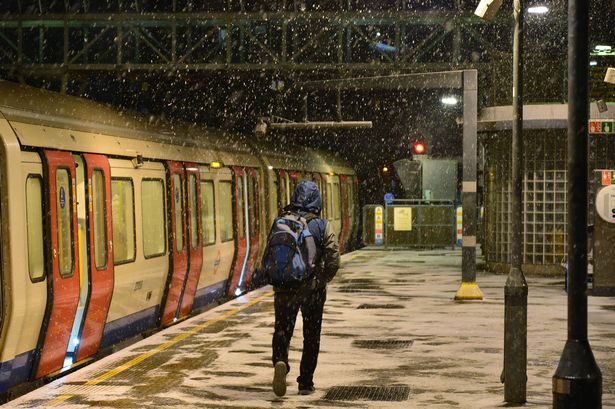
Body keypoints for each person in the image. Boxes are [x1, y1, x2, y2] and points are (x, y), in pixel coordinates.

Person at [270, 180, 340, 397]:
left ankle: (280, 361)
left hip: (284, 287)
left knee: (283, 329)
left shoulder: (281, 221)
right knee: (311, 336)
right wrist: (323, 279)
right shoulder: (321, 225)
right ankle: (306, 382)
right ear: (317, 200)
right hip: (312, 289)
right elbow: (334, 258)